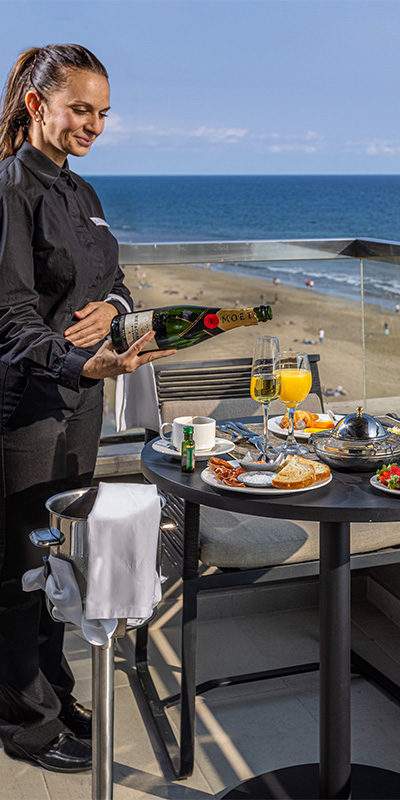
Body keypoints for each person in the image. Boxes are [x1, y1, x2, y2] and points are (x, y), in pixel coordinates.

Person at [0, 44, 175, 773]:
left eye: (102, 113)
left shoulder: (84, 194)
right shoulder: (11, 189)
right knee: (19, 567)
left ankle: (54, 694)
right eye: (80, 109)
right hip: (27, 410)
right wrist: (77, 360)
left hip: (82, 404)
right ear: (38, 106)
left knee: (61, 561)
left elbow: (120, 285)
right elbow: (9, 316)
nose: (93, 124)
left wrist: (113, 308)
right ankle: (25, 725)